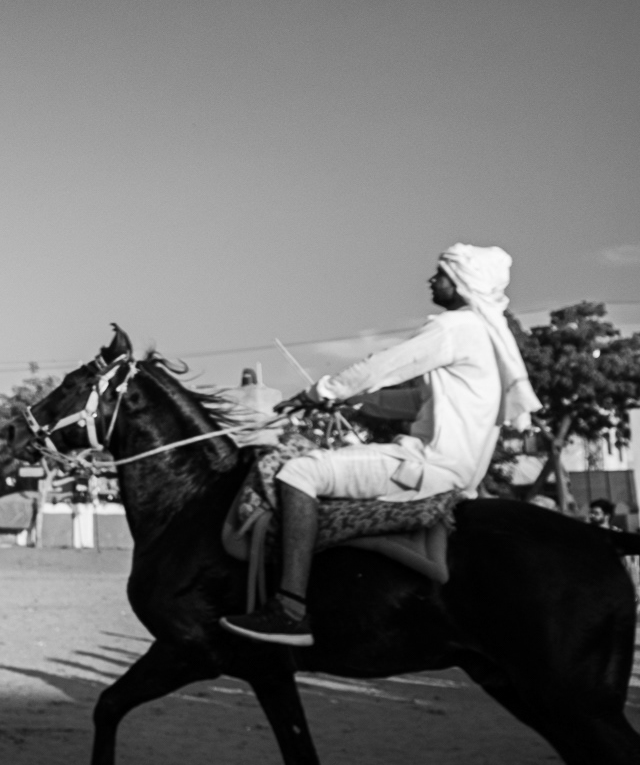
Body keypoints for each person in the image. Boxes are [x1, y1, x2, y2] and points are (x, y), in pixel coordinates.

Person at [220, 245, 540, 648]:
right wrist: (356, 402)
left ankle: (289, 609)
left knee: (298, 471)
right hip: (454, 468)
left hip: (427, 465)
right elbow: (418, 402)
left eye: (441, 274)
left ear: (463, 283)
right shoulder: (484, 334)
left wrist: (323, 391)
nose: (432, 280)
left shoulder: (454, 327)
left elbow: (385, 366)